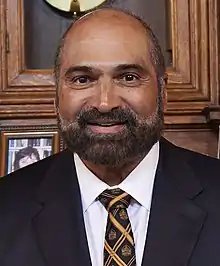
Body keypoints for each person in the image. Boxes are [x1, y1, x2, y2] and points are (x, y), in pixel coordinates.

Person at [1, 7, 220, 266]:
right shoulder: (6, 209)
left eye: (128, 77)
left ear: (163, 92)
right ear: (56, 97)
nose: (105, 103)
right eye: (83, 80)